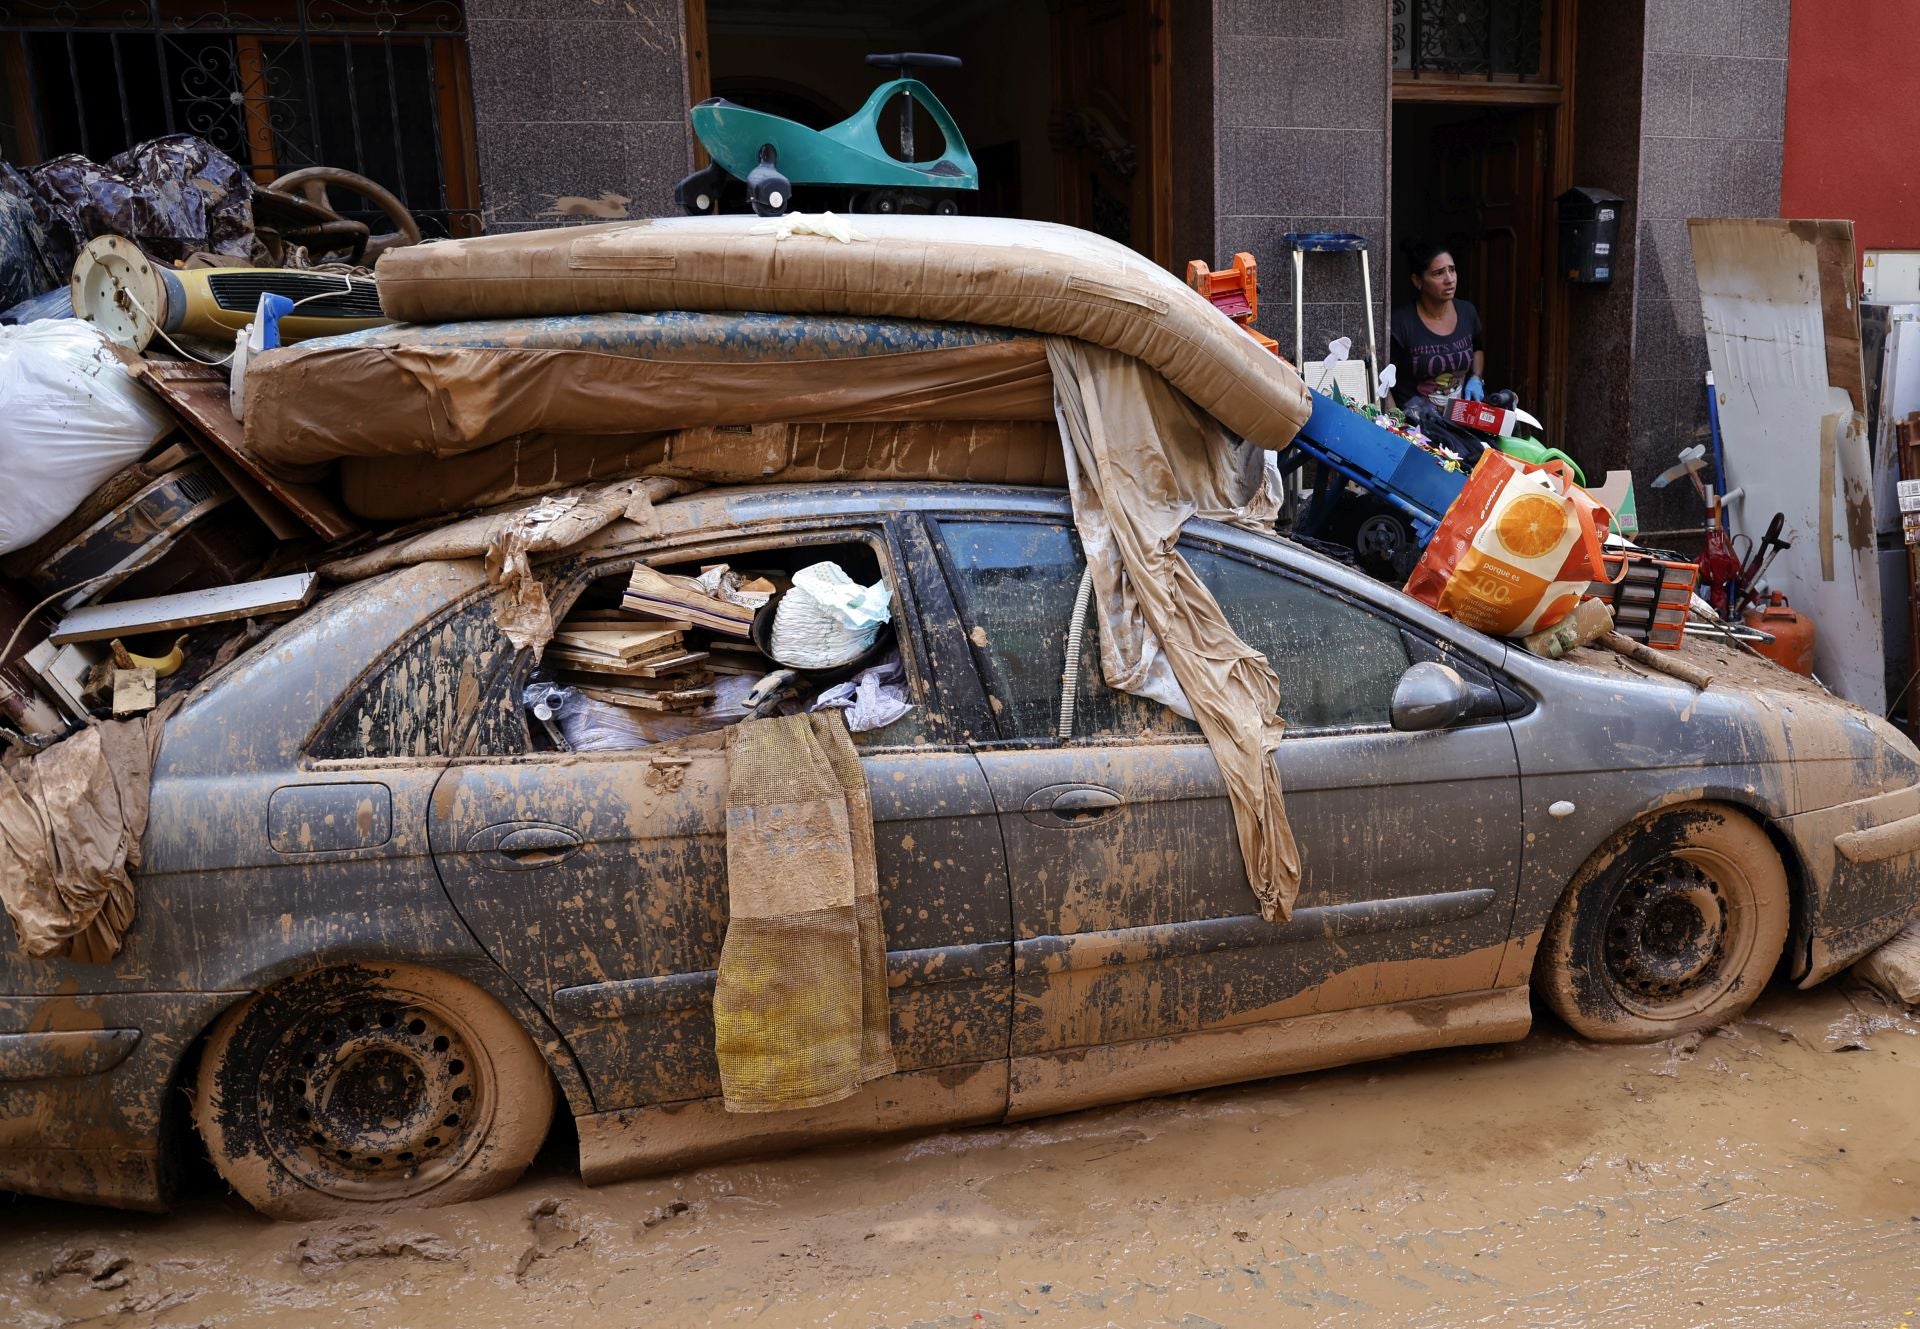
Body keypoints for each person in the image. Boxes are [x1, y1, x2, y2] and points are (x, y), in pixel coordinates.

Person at [1388, 239, 1485, 408]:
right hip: (1416, 426)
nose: (1449, 279)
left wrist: (1476, 377)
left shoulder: (1467, 312)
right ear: (1417, 281)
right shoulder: (1401, 323)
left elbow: (1477, 347)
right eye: (1438, 273)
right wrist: (1397, 424)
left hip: (1459, 422)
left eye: (1452, 270)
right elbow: (1382, 380)